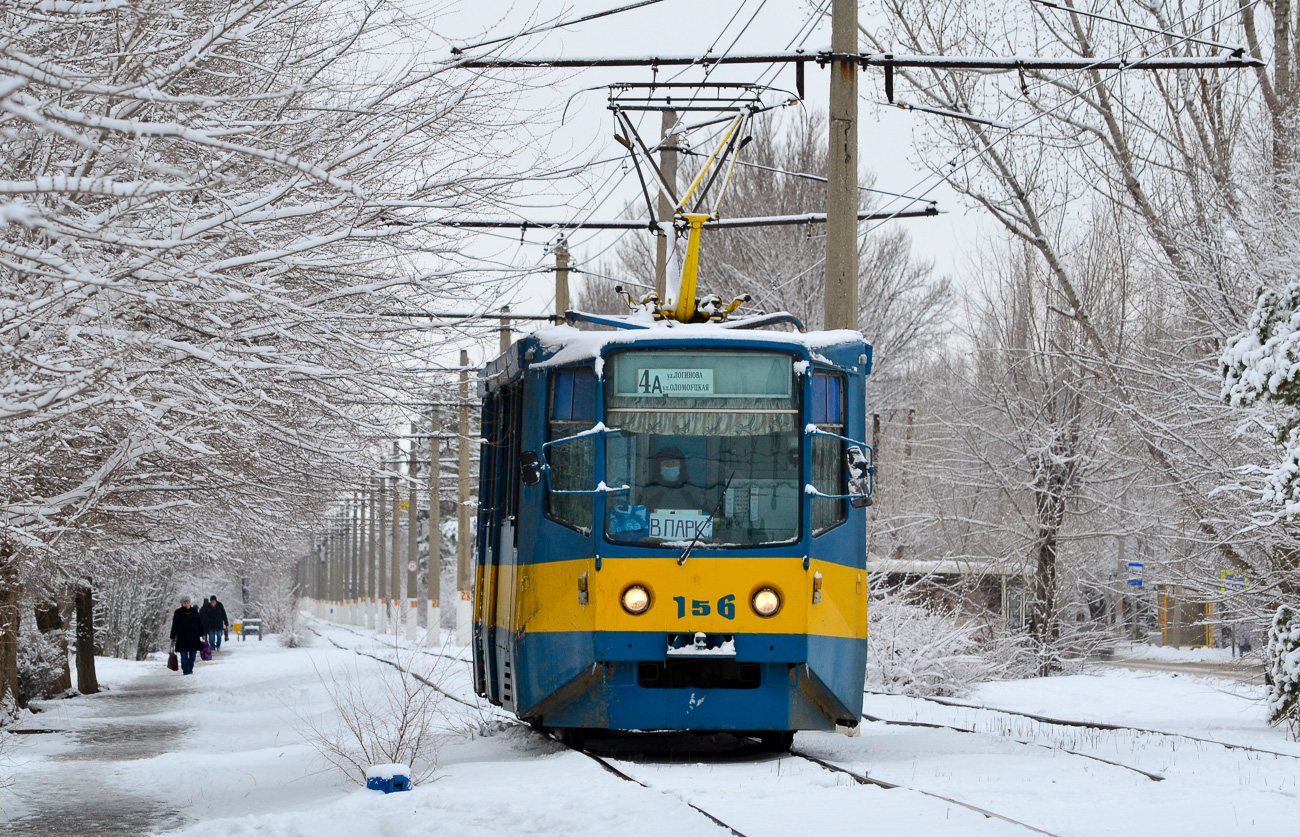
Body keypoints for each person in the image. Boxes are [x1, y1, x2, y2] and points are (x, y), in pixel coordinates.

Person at [169, 596, 204, 675]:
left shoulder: (194, 611)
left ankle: (190, 668)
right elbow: (174, 625)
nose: (187, 603)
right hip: (182, 637)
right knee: (183, 656)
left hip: (194, 637)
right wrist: (172, 636)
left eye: (188, 602)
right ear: (182, 604)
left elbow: (199, 623)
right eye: (185, 602)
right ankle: (186, 670)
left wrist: (202, 633)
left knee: (193, 655)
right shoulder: (178, 612)